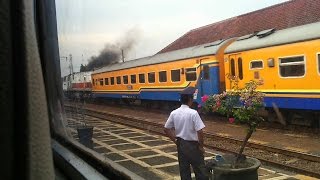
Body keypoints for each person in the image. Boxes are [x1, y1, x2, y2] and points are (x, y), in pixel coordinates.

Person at [164, 87, 208, 180]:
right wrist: (201, 146)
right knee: (200, 170)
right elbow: (199, 131)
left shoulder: (174, 113)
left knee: (184, 171)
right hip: (193, 146)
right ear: (190, 100)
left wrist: (175, 140)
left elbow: (166, 129)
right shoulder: (193, 113)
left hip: (181, 144)